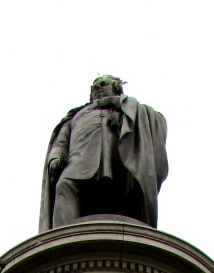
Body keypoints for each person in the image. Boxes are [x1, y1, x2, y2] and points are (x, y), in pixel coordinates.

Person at [39, 75, 168, 231]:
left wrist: (118, 103)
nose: (98, 89)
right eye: (94, 88)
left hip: (118, 162)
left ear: (116, 89)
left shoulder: (126, 107)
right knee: (65, 185)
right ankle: (62, 239)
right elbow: (62, 140)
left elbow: (157, 120)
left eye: (103, 84)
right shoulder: (76, 115)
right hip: (79, 163)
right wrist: (55, 156)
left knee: (119, 197)